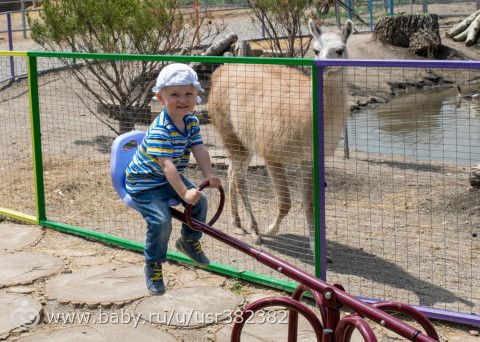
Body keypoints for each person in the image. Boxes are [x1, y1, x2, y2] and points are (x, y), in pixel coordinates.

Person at [125, 63, 221, 295]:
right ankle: (153, 265)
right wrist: (184, 193)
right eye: (174, 95)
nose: (183, 100)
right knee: (161, 221)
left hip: (169, 180)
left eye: (189, 93)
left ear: (197, 94)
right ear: (160, 97)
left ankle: (189, 240)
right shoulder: (161, 129)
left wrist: (209, 174)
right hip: (145, 183)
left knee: (202, 201)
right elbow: (167, 167)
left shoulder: (190, 121)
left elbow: (198, 147)